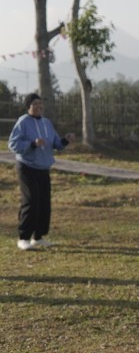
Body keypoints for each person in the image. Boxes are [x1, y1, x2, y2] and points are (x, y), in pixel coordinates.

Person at [8, 93, 75, 251]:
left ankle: (38, 237)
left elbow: (56, 144)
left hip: (43, 167)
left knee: (44, 202)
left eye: (40, 104)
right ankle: (23, 238)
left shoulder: (47, 123)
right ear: (28, 107)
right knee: (31, 201)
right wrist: (32, 144)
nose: (38, 107)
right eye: (35, 104)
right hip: (27, 167)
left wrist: (65, 140)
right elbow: (13, 144)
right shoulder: (23, 122)